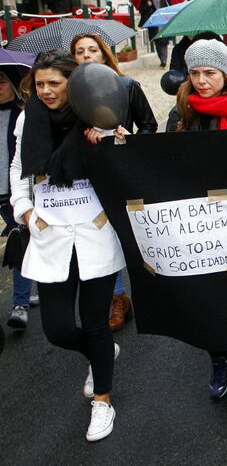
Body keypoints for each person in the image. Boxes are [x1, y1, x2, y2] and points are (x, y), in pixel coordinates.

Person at [11, 50, 127, 440]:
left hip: (94, 232)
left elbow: (125, 157)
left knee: (96, 323)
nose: (45, 91)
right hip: (51, 234)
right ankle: (100, 353)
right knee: (57, 330)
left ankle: (103, 401)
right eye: (39, 84)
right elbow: (18, 166)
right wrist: (23, 209)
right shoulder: (30, 117)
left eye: (54, 84)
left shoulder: (95, 111)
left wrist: (110, 136)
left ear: (72, 84)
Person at [166, 39, 227, 415]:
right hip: (195, 224)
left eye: (210, 73)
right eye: (195, 73)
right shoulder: (180, 114)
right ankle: (218, 357)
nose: (202, 81)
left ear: (226, 74)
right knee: (206, 297)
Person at [70, 33, 157, 330]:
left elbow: (149, 125)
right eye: (79, 52)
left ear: (104, 55)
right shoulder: (70, 94)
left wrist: (126, 140)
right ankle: (118, 296)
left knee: (128, 235)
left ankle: (150, 294)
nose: (86, 56)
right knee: (101, 234)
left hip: (122, 171)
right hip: (87, 175)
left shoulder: (127, 86)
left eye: (92, 50)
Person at [1, 69, 34, 332]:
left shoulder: (23, 115)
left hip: (15, 191)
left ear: (13, 85)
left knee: (19, 243)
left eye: (1, 82)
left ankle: (20, 304)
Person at [138, 0, 173, 67]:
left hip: (164, 22)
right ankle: (161, 58)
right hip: (153, 23)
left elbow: (170, 6)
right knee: (157, 41)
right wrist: (148, 6)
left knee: (164, 41)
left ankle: (164, 60)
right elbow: (141, 10)